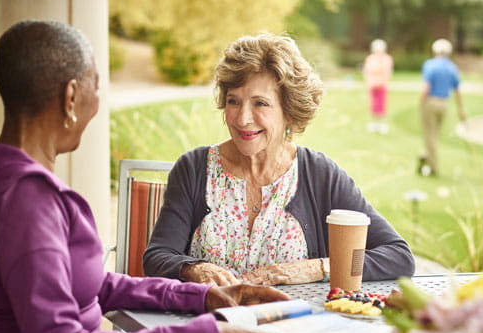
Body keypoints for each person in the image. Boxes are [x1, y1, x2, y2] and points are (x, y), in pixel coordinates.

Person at [0, 21, 337, 333]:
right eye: (95, 84)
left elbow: (89, 286)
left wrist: (204, 299)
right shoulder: (27, 202)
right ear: (72, 96)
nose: (98, 99)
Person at [143, 33, 415, 286]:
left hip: (292, 330)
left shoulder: (319, 175)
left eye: (260, 103)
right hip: (209, 328)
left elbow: (398, 256)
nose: (242, 118)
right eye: (233, 101)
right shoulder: (193, 168)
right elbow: (158, 257)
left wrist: (315, 268)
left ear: (290, 111)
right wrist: (196, 269)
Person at [419, 38, 466, 177]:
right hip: (445, 103)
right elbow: (457, 90)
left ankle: (432, 167)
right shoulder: (452, 67)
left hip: (431, 101)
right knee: (434, 135)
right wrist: (461, 109)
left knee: (429, 136)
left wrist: (421, 102)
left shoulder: (430, 65)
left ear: (435, 51)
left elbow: (426, 87)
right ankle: (425, 156)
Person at [362, 38, 393, 134]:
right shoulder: (370, 59)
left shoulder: (387, 59)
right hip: (372, 85)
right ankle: (374, 124)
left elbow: (387, 72)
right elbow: (367, 72)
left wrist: (380, 82)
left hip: (382, 85)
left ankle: (381, 124)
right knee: (373, 105)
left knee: (382, 106)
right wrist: (370, 82)